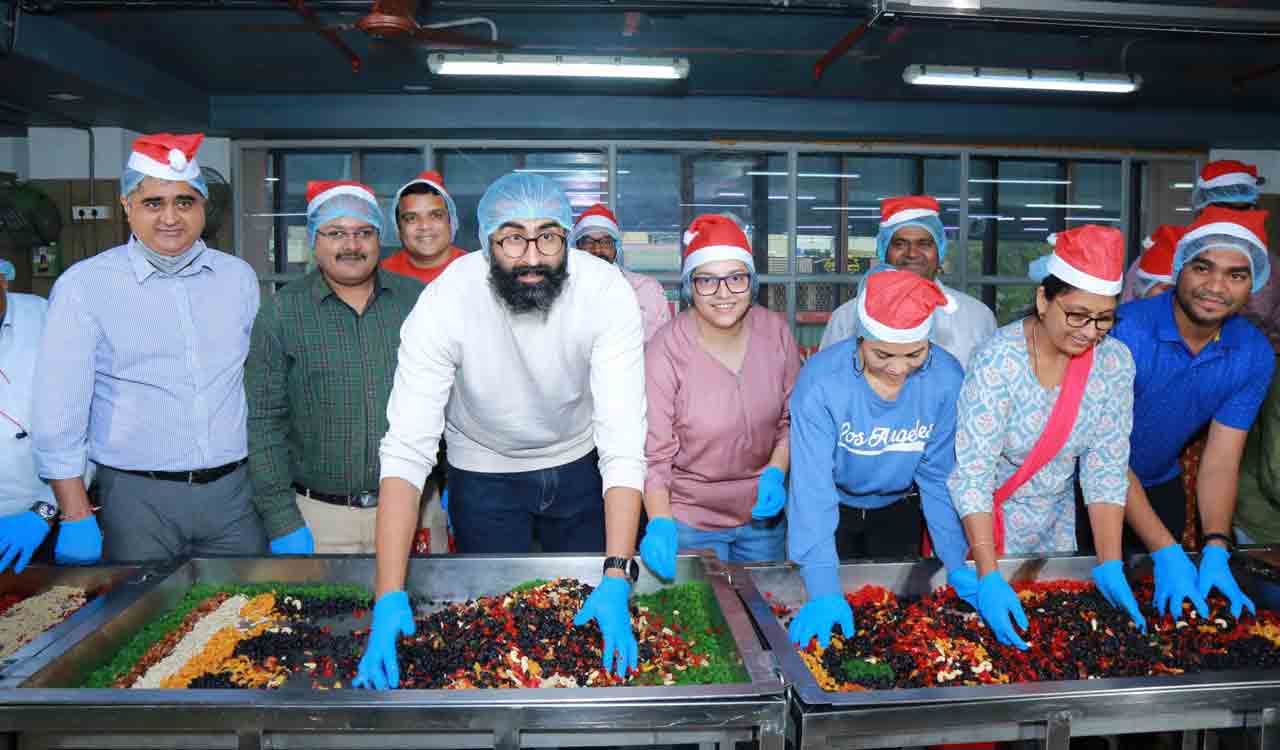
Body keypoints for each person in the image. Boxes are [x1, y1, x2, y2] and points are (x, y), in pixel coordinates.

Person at [354, 173, 646, 689]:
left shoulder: (605, 291)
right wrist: (389, 593)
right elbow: (406, 451)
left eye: (549, 236)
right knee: (491, 627)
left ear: (567, 237)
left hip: (581, 465)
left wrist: (619, 572)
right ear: (486, 241)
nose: (532, 256)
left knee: (579, 621)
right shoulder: (445, 301)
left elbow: (622, 440)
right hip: (482, 471)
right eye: (512, 237)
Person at [32, 132, 266, 563]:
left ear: (203, 208)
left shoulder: (238, 279)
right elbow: (57, 414)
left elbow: (256, 384)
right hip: (136, 501)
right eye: (153, 203)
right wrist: (76, 513)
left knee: (247, 618)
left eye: (184, 202)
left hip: (234, 496)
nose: (170, 218)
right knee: (141, 624)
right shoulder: (85, 287)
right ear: (126, 206)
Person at [950, 226, 1143, 649]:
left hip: (1055, 529)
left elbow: (1105, 467)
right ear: (1043, 300)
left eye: (1104, 318)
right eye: (1077, 314)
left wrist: (1109, 561)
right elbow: (973, 475)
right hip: (982, 528)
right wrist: (989, 573)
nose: (1091, 332)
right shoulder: (998, 361)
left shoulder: (1114, 362)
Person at [787, 267, 972, 649]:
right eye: (883, 354)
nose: (898, 368)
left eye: (915, 354)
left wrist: (956, 561)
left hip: (900, 508)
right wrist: (821, 583)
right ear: (860, 337)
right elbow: (812, 488)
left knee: (888, 624)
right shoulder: (822, 382)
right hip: (832, 509)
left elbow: (938, 478)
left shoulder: (946, 379)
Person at [247, 181, 426, 555]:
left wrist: (451, 489)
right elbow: (264, 422)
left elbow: (451, 401)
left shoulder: (418, 302)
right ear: (314, 239)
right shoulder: (282, 312)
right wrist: (280, 519)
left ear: (379, 238)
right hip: (318, 518)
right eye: (336, 233)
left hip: (413, 509)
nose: (351, 245)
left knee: (421, 612)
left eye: (364, 232)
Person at [1113, 207, 1275, 622]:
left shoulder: (1253, 353)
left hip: (1159, 484)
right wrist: (1165, 549)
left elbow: (1220, 460)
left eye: (1236, 275)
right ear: (1179, 268)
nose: (1215, 287)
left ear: (1253, 284)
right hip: (1084, 492)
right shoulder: (1123, 331)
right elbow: (1103, 457)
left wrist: (1217, 545)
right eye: (1203, 268)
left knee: (1169, 620)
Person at [639, 214, 801, 576]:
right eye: (707, 281)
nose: (724, 293)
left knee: (766, 617)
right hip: (689, 521)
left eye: (736, 278)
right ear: (689, 286)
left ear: (752, 281)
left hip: (763, 517)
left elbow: (792, 419)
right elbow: (655, 453)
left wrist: (776, 472)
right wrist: (661, 521)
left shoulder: (775, 333)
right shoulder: (666, 350)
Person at [818, 196, 996, 368]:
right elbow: (826, 381)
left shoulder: (976, 317)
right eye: (900, 244)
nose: (912, 253)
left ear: (940, 251)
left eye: (924, 244)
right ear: (883, 251)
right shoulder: (847, 317)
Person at [1121, 160, 1280, 350]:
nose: (1216, 287)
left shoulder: (1267, 265)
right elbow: (1128, 318)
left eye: (1241, 209)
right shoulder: (1162, 252)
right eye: (1201, 269)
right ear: (1201, 211)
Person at [0, 260, 93, 572]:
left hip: (47, 517)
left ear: (4, 280)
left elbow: (90, 422)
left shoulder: (46, 320)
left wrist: (47, 509)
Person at [570, 203, 671, 344]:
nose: (597, 249)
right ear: (576, 248)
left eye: (606, 242)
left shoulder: (647, 289)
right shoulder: (562, 292)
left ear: (616, 248)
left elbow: (664, 348)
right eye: (588, 242)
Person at [380, 170, 467, 285]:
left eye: (436, 215)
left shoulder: (478, 270)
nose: (425, 226)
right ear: (398, 227)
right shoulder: (380, 276)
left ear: (451, 222)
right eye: (411, 218)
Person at [1131, 225, 1186, 300]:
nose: (1174, 297)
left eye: (1181, 291)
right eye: (1166, 289)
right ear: (1145, 286)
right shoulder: (1128, 311)